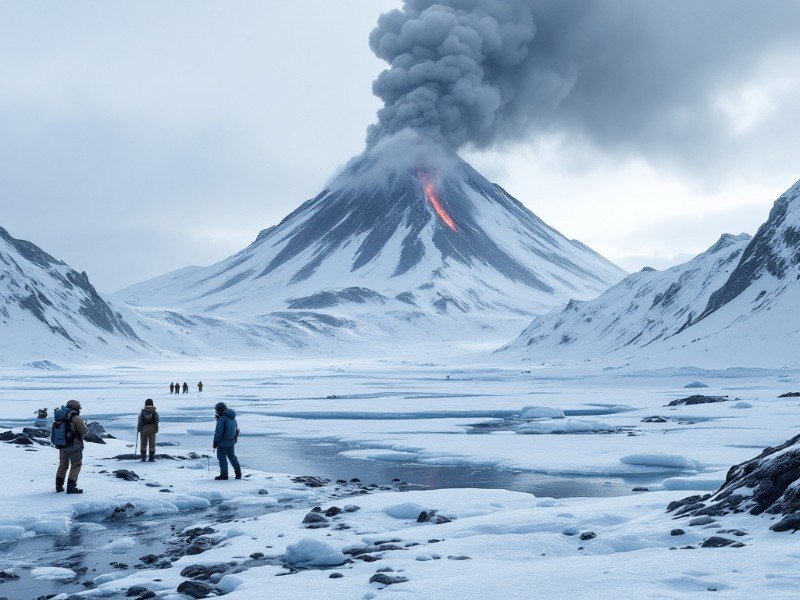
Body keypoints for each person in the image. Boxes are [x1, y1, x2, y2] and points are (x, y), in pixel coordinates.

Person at [53, 399, 88, 494]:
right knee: (76, 464)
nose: (79, 410)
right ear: (76, 408)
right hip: (74, 445)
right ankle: (71, 487)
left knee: (63, 465)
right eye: (78, 408)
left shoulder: (61, 416)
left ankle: (59, 486)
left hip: (62, 444)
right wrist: (84, 425)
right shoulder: (76, 417)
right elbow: (84, 432)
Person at [212, 402, 241, 480]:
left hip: (223, 442)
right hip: (231, 441)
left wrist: (215, 442)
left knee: (222, 458)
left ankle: (224, 475)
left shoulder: (222, 419)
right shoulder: (231, 416)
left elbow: (218, 432)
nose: (216, 411)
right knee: (232, 457)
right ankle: (238, 473)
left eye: (216, 410)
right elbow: (236, 429)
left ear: (219, 410)